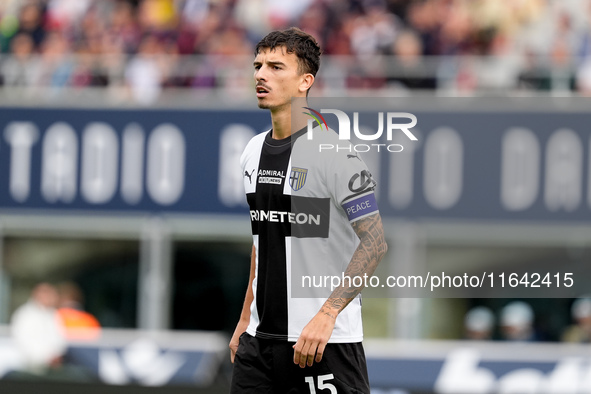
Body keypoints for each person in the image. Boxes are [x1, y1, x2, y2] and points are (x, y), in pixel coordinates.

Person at [229, 27, 388, 393]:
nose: (260, 75)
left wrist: (328, 314)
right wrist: (243, 320)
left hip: (321, 344)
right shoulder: (252, 151)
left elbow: (375, 242)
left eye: (275, 67)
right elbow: (262, 239)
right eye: (258, 66)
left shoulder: (335, 155)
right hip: (258, 345)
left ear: (305, 81)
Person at [10, 283, 67, 374]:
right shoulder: (25, 314)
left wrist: (56, 355)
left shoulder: (53, 314)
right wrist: (46, 358)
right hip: (28, 368)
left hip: (52, 368)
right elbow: (24, 342)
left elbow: (60, 338)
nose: (54, 298)